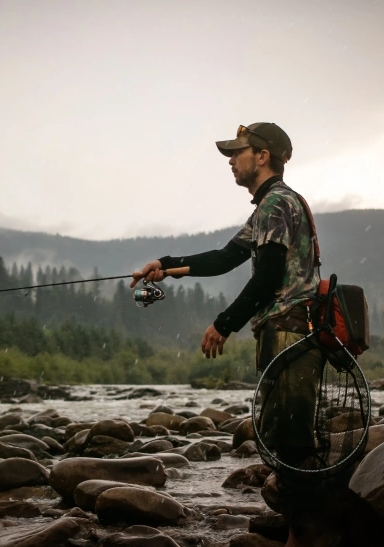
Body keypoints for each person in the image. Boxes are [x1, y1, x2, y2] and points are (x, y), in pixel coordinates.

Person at [130, 122, 324, 547]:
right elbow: (223, 259)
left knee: (293, 446)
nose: (231, 161)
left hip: (291, 335)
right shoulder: (270, 206)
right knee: (289, 442)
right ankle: (302, 533)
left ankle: (308, 537)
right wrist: (163, 264)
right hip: (287, 335)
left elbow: (268, 275)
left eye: (238, 152)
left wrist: (224, 323)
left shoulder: (277, 205)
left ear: (263, 156)